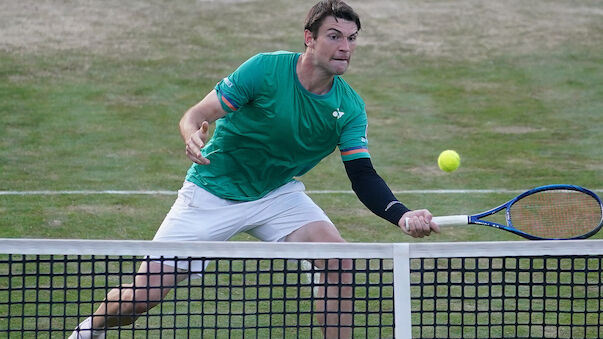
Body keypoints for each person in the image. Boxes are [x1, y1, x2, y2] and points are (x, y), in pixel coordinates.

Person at [69, 0, 439, 338]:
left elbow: (363, 176)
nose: (346, 46)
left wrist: (402, 216)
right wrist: (190, 135)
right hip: (212, 192)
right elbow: (197, 114)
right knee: (140, 299)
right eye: (334, 36)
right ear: (309, 38)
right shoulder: (264, 69)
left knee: (339, 260)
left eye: (352, 38)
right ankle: (89, 329)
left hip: (276, 194)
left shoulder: (349, 108)